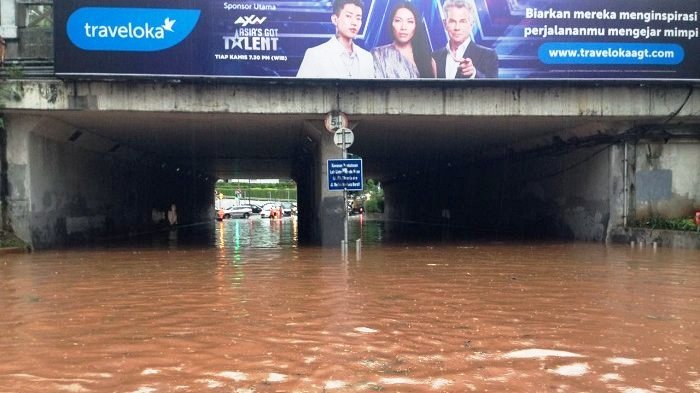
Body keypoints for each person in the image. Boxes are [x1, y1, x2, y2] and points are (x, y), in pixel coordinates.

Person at [296, 0, 374, 79]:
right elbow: (300, 90)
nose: (354, 22)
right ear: (335, 19)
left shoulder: (367, 58)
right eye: (348, 16)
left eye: (358, 18)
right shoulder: (316, 55)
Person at [432, 0, 498, 79]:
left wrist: (474, 73)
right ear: (445, 24)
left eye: (462, 21)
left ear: (471, 24)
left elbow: (493, 88)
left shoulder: (488, 55)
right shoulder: (434, 57)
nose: (457, 27)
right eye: (452, 21)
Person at [371, 2, 436, 79]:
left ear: (416, 25)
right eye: (398, 20)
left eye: (410, 21)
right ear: (391, 23)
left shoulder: (428, 60)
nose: (403, 27)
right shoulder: (378, 54)